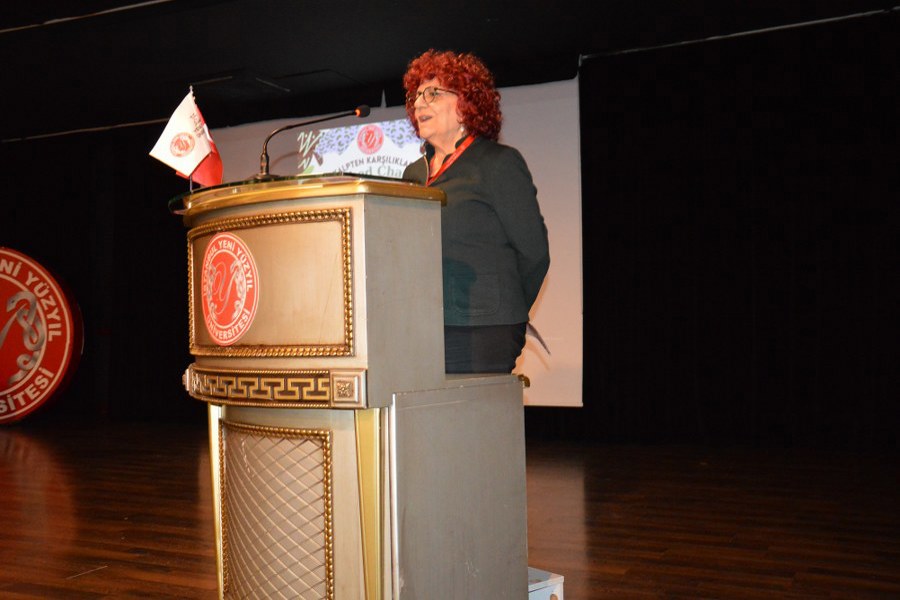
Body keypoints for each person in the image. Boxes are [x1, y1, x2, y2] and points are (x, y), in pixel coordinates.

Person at [402, 49, 550, 374]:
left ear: (465, 104)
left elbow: (534, 253)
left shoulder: (498, 163)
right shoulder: (413, 173)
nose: (419, 104)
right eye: (415, 97)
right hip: (423, 323)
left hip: (484, 328)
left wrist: (506, 306)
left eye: (433, 93)